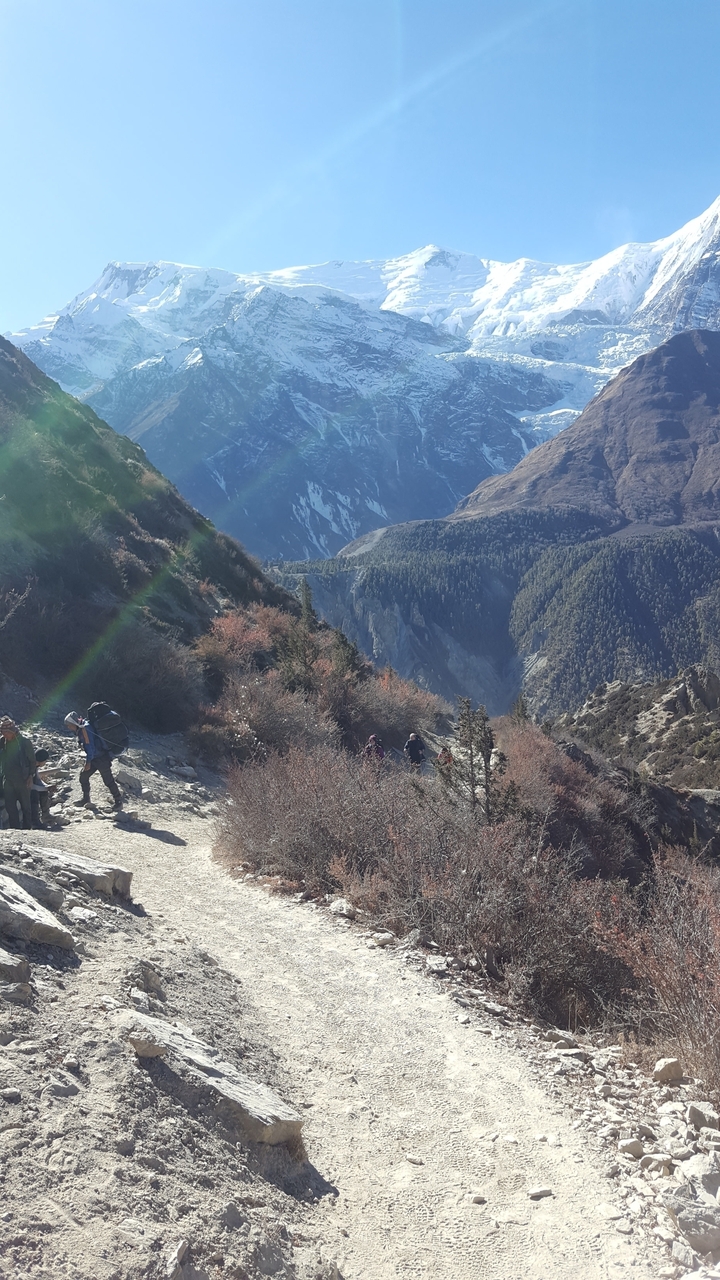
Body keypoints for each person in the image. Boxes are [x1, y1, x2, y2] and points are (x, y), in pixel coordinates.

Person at [64, 711, 123, 809]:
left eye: (69, 725)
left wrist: (88, 763)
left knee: (108, 780)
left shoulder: (84, 730)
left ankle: (118, 801)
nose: (68, 727)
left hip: (101, 758)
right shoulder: (83, 727)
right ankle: (86, 799)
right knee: (83, 776)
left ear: (74, 724)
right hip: (96, 757)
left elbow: (89, 747)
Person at [0, 717, 36, 829]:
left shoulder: (25, 742)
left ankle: (27, 828)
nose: (4, 735)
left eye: (6, 732)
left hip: (22, 779)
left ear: (13, 731)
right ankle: (14, 829)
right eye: (2, 732)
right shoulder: (2, 742)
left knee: (26, 806)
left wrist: (31, 775)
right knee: (10, 807)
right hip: (8, 779)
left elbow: (32, 761)